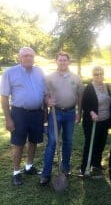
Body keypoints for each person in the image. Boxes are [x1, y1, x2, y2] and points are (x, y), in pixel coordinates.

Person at [0, 47, 46, 186]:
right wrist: (8, 119)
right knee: (18, 143)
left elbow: (44, 93)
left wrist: (45, 112)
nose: (28, 58)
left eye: (31, 56)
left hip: (37, 112)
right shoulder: (10, 73)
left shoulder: (39, 71)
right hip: (19, 113)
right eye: (25, 56)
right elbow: (3, 97)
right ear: (19, 58)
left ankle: (29, 166)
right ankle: (16, 172)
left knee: (34, 141)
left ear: (34, 57)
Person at [40, 51, 83, 185]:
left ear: (68, 62)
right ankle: (46, 174)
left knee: (68, 141)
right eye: (60, 60)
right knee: (52, 142)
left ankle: (65, 168)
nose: (62, 62)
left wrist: (79, 112)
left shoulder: (76, 78)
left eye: (65, 60)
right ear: (56, 61)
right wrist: (48, 101)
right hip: (55, 113)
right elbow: (45, 95)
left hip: (70, 113)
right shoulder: (49, 78)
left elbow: (80, 96)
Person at [80, 66, 111, 175]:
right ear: (92, 76)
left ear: (103, 75)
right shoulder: (89, 87)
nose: (99, 76)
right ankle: (84, 167)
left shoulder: (107, 86)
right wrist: (92, 112)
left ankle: (96, 163)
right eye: (96, 74)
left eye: (100, 74)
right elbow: (84, 104)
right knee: (90, 144)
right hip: (92, 121)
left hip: (105, 120)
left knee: (101, 143)